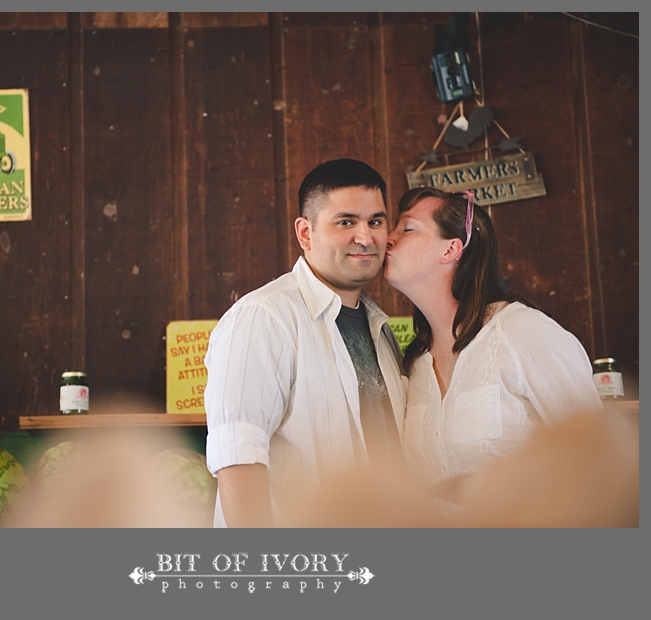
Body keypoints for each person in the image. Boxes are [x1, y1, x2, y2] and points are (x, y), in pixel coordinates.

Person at [204, 159, 407, 527]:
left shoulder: (379, 328)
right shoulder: (264, 318)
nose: (366, 238)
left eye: (376, 222)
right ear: (305, 233)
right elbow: (238, 459)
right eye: (346, 222)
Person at [383, 186, 602, 492]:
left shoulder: (524, 332)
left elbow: (600, 457)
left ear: (451, 250)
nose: (387, 237)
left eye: (407, 228)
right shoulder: (414, 362)